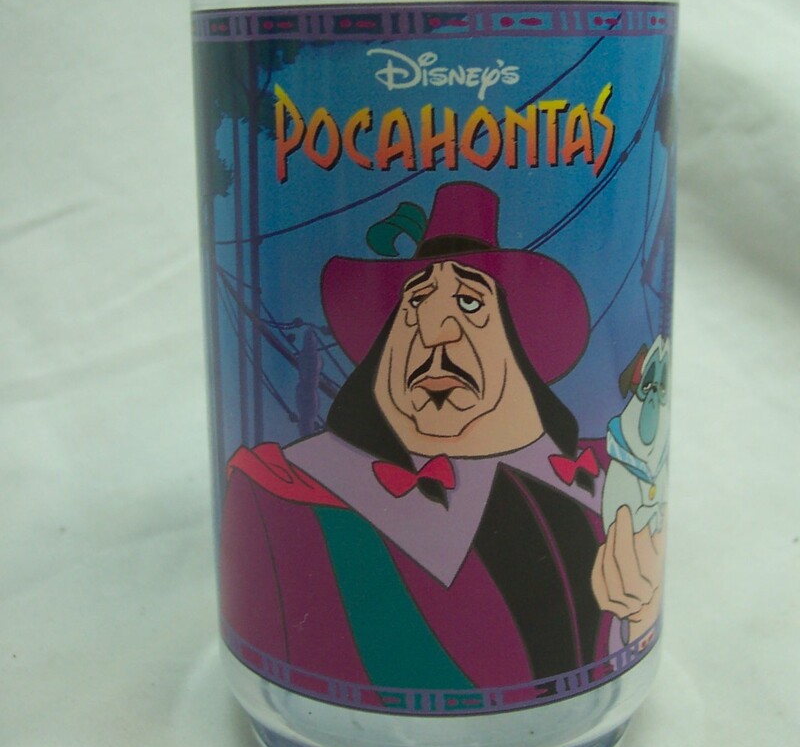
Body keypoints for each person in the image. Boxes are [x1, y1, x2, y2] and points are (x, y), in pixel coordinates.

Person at [220, 182, 653, 708]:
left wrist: (634, 618)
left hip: (589, 713)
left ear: (524, 339)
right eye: (415, 303)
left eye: (470, 301)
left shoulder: (616, 480)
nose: (435, 330)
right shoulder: (285, 500)